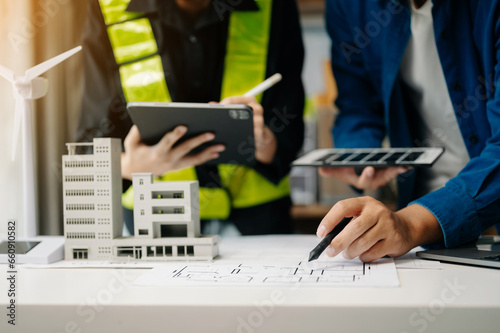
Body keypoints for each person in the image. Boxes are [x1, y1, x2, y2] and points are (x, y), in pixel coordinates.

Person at [77, 0, 305, 236]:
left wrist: (262, 140)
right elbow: (90, 143)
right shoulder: (108, 7)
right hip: (152, 223)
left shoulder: (272, 6)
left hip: (257, 226)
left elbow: (290, 130)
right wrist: (132, 165)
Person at [319, 0, 500, 262]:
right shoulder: (347, 5)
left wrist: (409, 224)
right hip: (423, 224)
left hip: (428, 216)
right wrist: (361, 157)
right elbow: (358, 103)